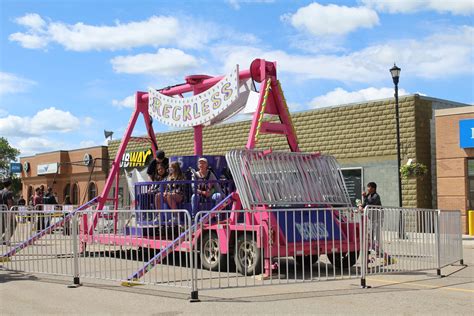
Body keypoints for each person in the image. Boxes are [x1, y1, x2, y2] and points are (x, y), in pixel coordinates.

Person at [1, 178, 17, 245]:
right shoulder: (9, 193)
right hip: (7, 211)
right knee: (13, 224)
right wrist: (11, 214)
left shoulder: (1, 192)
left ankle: (4, 239)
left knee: (2, 227)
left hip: (1, 211)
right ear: (10, 185)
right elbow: (10, 204)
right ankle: (5, 239)